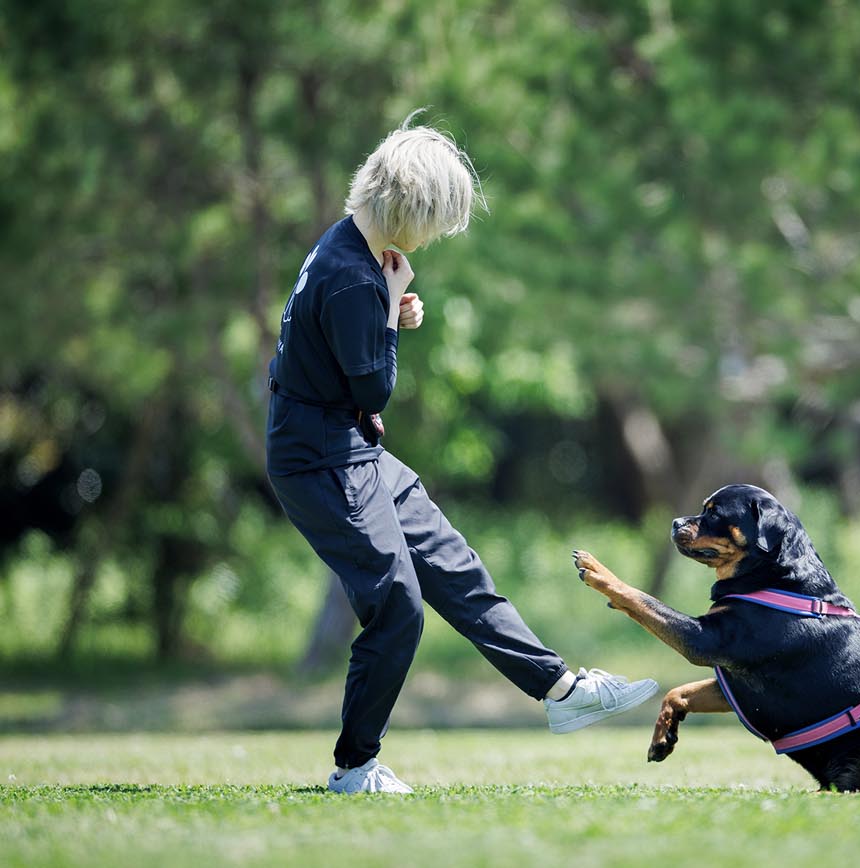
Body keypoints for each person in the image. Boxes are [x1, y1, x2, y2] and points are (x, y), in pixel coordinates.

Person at [265, 112, 658, 794]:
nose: (438, 235)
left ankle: (559, 689)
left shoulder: (346, 249)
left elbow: (345, 345)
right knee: (398, 604)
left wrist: (392, 310)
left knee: (453, 566)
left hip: (349, 451)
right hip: (321, 459)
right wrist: (388, 312)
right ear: (409, 208)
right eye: (437, 221)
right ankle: (355, 768)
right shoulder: (359, 277)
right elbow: (376, 385)